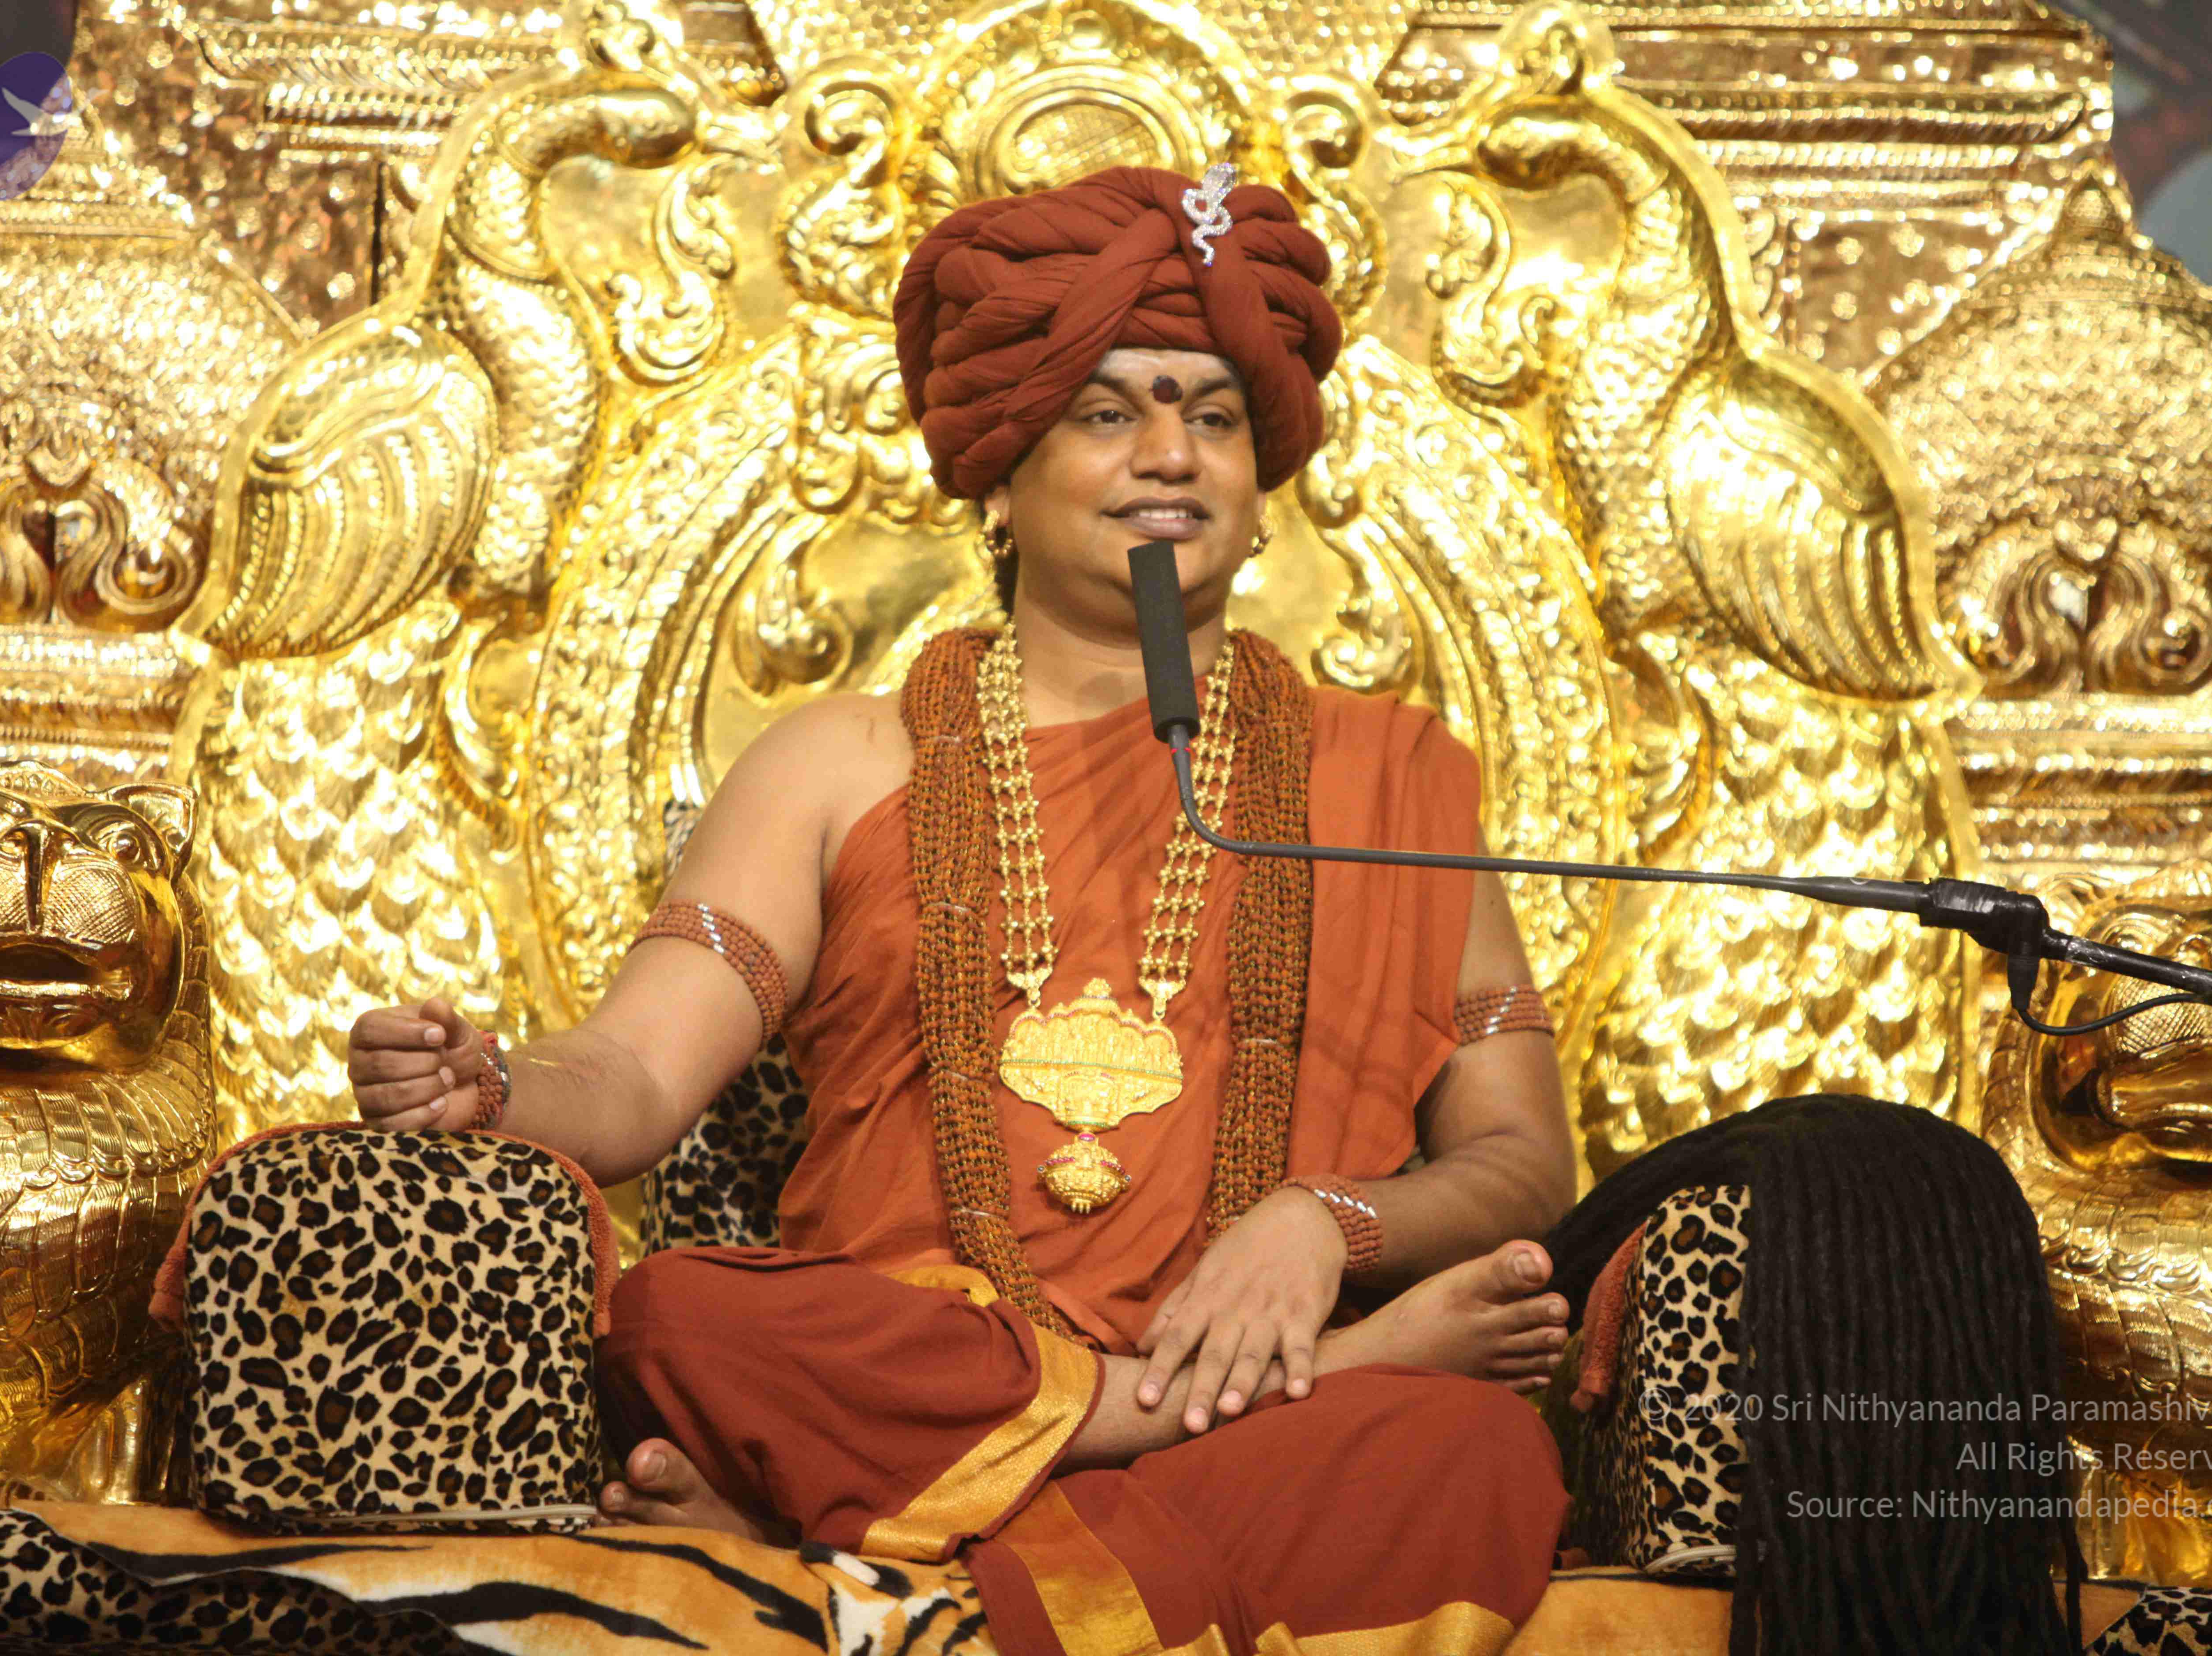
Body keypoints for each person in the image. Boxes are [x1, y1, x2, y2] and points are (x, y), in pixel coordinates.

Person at [349, 164, 1579, 1654]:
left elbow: (1523, 1164)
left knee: (1475, 1450)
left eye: (1214, 416)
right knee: (681, 1316)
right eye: (1107, 414)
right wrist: (494, 1082)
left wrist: (1323, 1222)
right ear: (998, 473)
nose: (1170, 455)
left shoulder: (1390, 778)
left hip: (1254, 1401)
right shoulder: (839, 761)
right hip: (937, 1360)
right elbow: (632, 1078)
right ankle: (1108, 1452)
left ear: (1263, 485)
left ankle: (871, 1566)